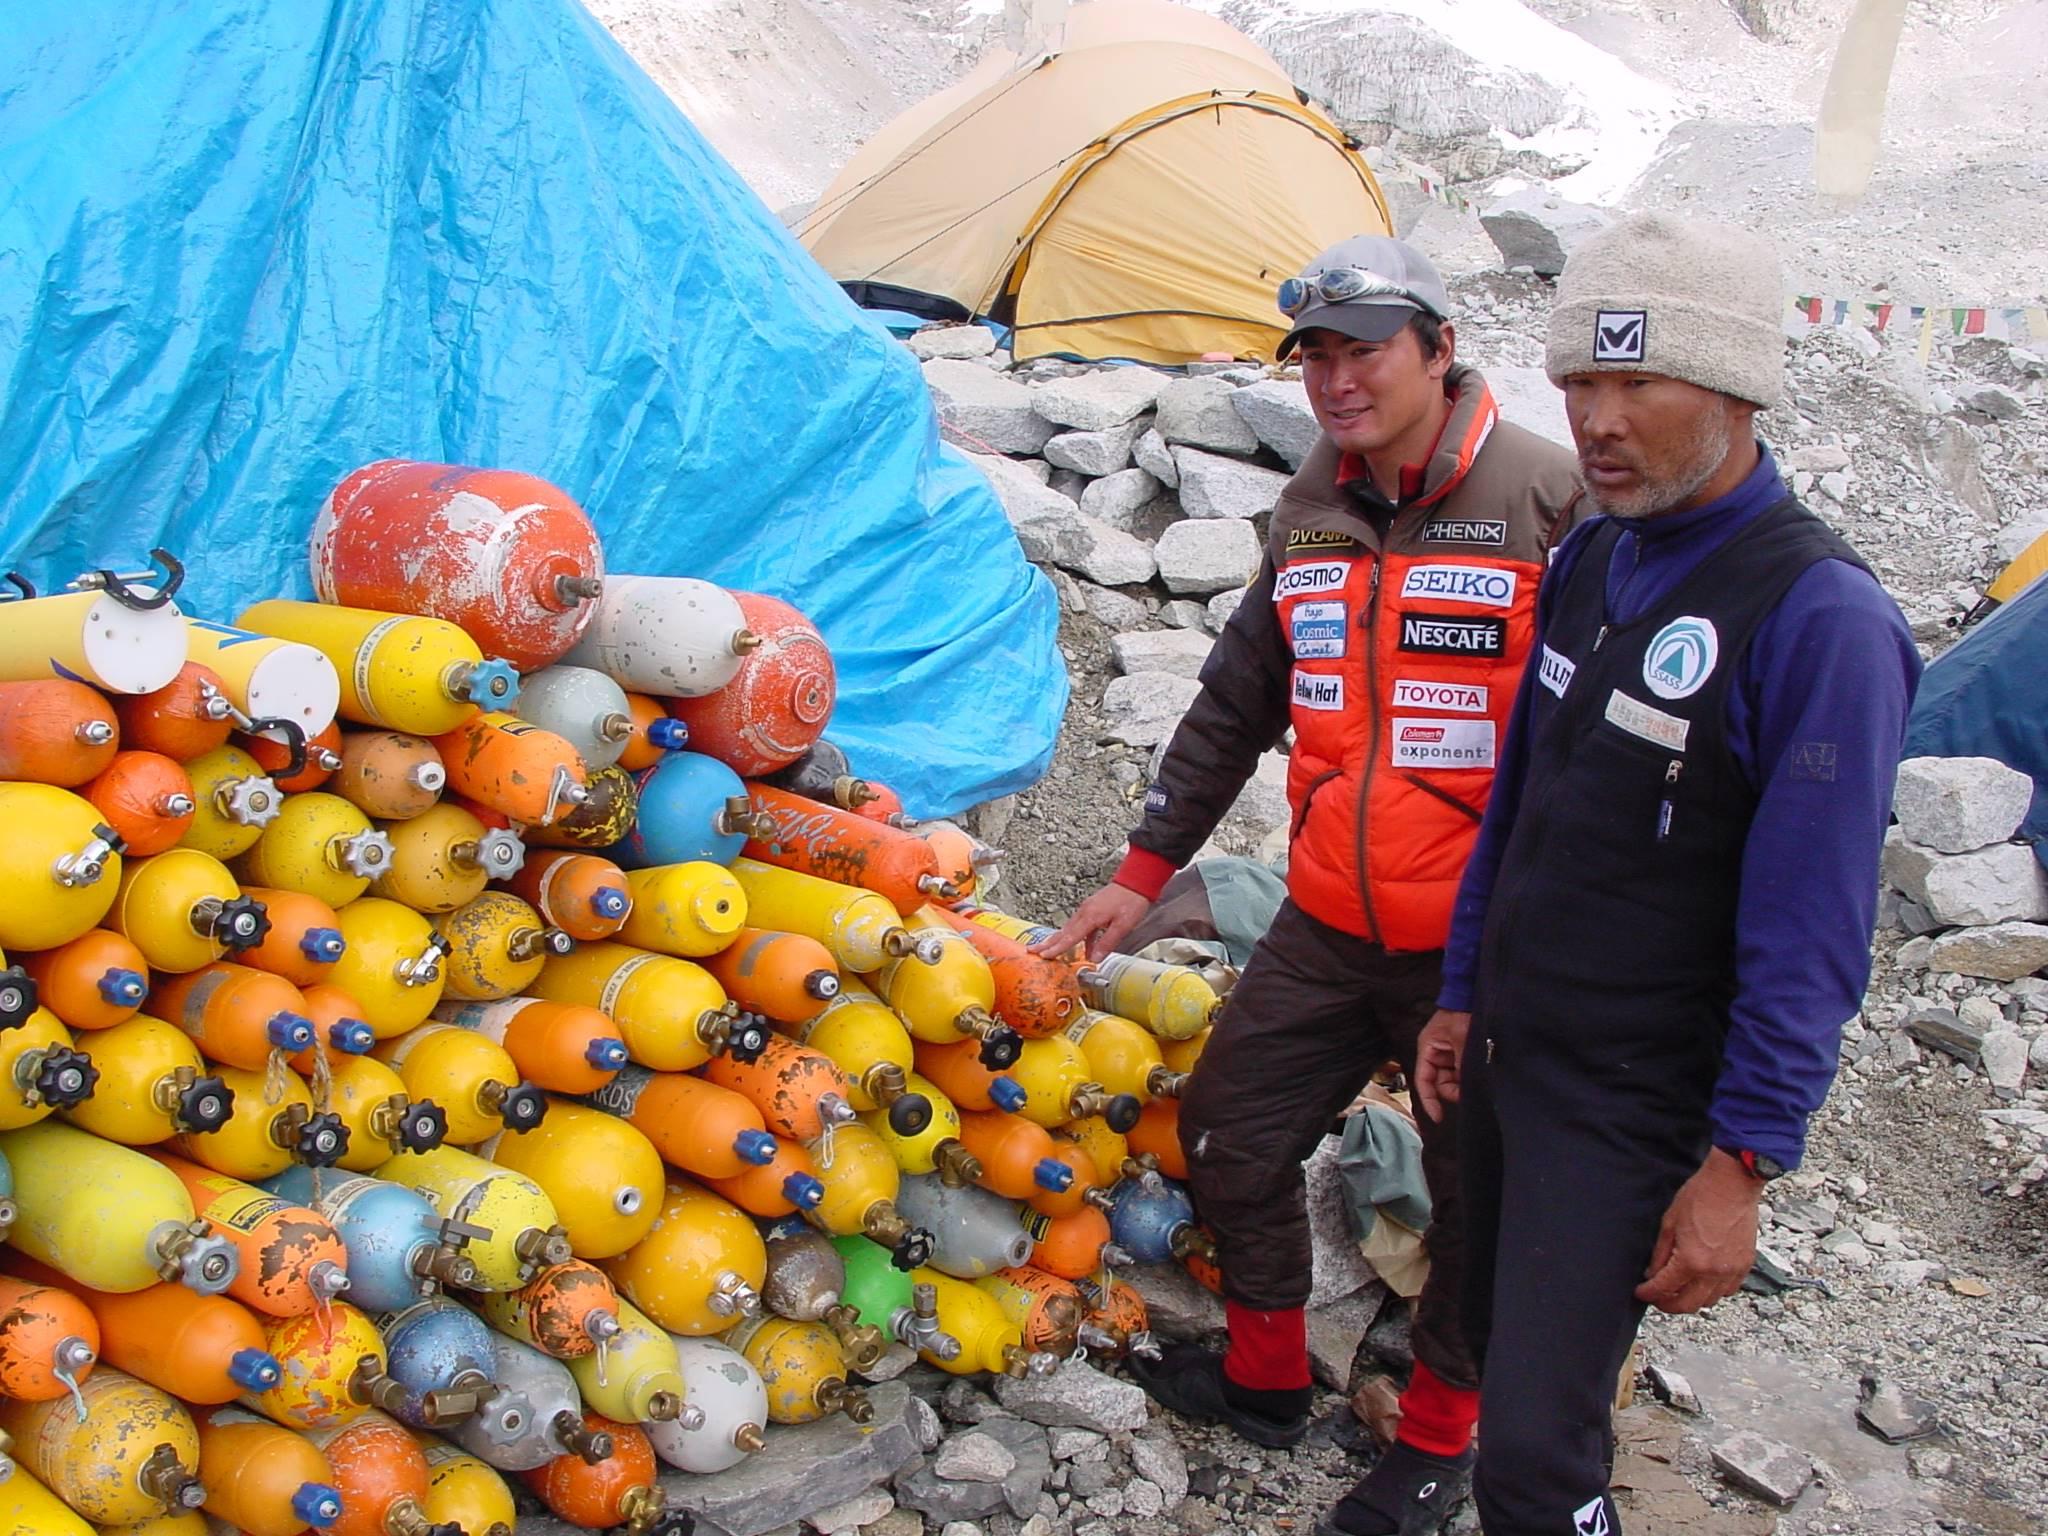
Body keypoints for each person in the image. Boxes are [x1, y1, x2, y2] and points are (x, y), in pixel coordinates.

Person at [1035, 235, 1583, 1535]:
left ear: (1440, 352)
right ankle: (1269, 1379)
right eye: (1317, 355)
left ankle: (1441, 1442)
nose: (1338, 378)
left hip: (1486, 952)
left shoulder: (1548, 502)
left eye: (1367, 349)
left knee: (1477, 1192)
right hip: (1330, 918)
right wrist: (1141, 873)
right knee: (1227, 1132)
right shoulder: (1314, 509)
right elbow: (1235, 701)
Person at [1414, 212, 1920, 1535]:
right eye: (1581, 381)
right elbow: (1519, 803)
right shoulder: (1594, 554)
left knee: (1532, 1451)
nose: (1598, 419)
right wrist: (1464, 996)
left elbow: (1814, 931)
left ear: (1737, 385)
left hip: (1632, 1102)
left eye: (1640, 381)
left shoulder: (1822, 619)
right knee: (1485, 1339)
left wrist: (1743, 1164)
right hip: (1514, 1050)